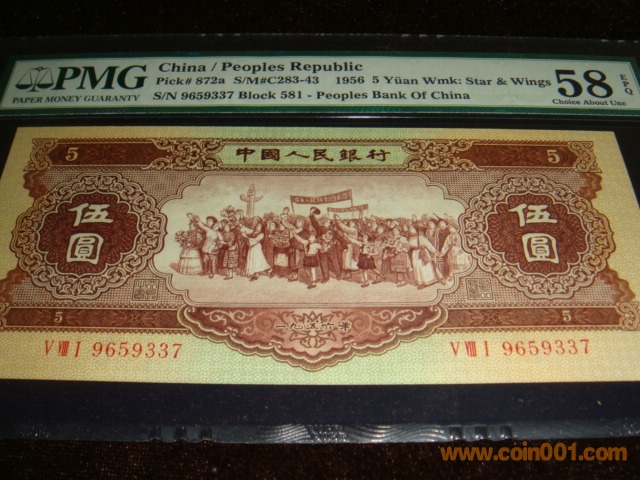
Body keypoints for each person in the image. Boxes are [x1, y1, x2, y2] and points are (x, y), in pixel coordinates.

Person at [190, 214, 222, 278]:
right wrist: (198, 220)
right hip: (206, 247)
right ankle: (205, 271)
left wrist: (217, 247)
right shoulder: (209, 230)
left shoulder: (218, 233)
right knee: (205, 260)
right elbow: (202, 225)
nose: (215, 227)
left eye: (217, 226)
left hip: (213, 248)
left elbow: (221, 241)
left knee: (213, 261)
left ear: (219, 228)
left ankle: (212, 273)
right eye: (214, 225)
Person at [407, 225, 439, 289]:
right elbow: (408, 246)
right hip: (415, 253)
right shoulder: (410, 238)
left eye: (412, 229)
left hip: (422, 252)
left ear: (415, 230)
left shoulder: (421, 237)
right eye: (410, 229)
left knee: (424, 266)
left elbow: (428, 245)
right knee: (417, 266)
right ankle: (420, 281)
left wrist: (435, 251)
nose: (410, 230)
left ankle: (427, 281)